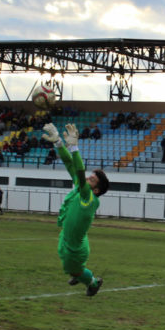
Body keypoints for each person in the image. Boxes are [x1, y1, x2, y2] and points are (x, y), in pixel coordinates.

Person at [42, 122, 110, 296]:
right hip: (69, 238)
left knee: (76, 271)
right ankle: (77, 273)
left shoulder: (90, 198)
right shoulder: (82, 190)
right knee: (72, 268)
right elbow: (69, 164)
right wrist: (58, 142)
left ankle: (93, 283)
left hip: (75, 248)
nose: (88, 177)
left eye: (92, 179)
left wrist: (74, 147)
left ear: (96, 190)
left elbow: (79, 170)